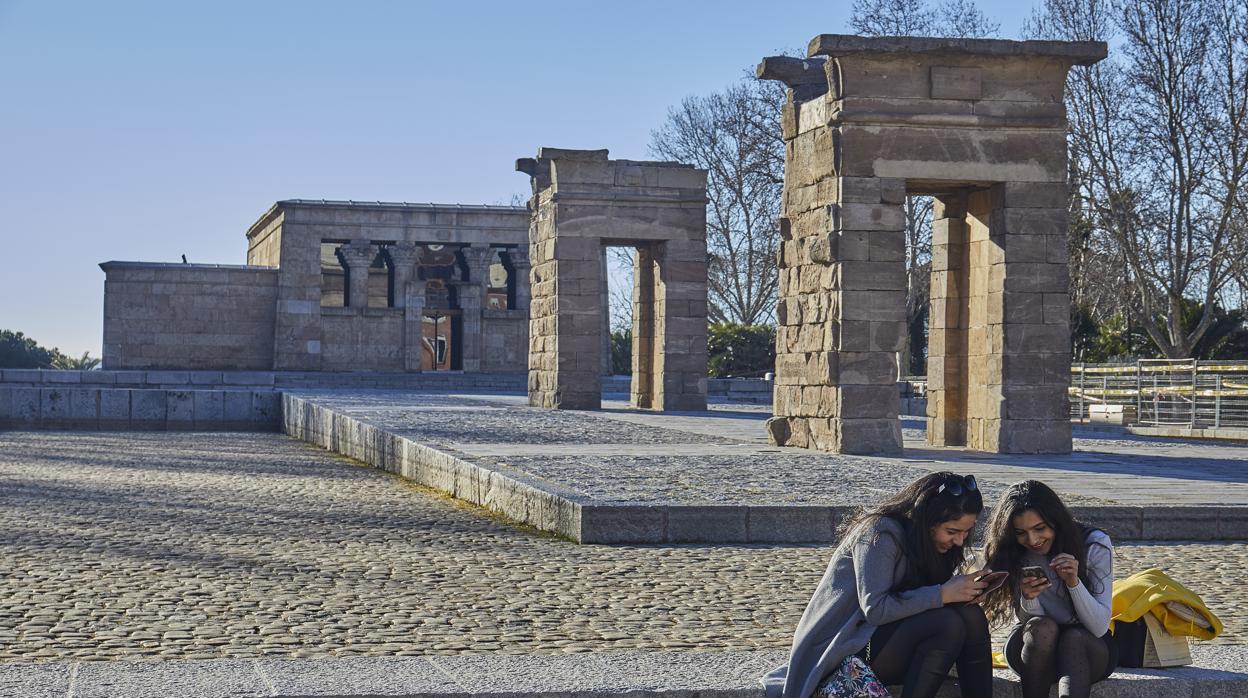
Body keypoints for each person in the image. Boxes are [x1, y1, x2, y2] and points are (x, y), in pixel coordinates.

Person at [763, 472, 994, 698]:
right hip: (847, 646)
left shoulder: (934, 544)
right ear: (926, 520)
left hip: (888, 641)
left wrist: (962, 592)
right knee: (947, 623)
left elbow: (921, 600)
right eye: (952, 531)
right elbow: (875, 609)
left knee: (971, 615)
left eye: (967, 531)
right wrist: (942, 594)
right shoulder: (879, 534)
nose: (960, 541)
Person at [980, 480, 1116, 698]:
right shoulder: (1013, 551)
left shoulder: (1093, 544)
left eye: (1040, 528)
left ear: (1056, 520)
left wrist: (1074, 583)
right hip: (1032, 648)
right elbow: (1028, 621)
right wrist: (1029, 598)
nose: (1033, 540)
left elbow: (1099, 627)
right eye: (1021, 532)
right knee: (1042, 628)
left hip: (1086, 649)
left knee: (1073, 639)